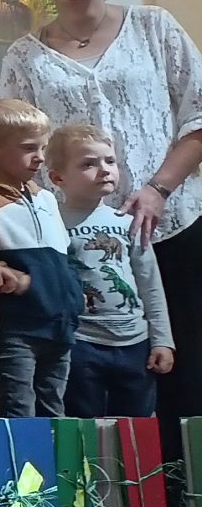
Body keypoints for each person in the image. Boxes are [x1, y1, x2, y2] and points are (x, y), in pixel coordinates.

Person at [0, 0, 202, 434]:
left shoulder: (153, 26)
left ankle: (184, 476)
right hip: (73, 243)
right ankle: (109, 480)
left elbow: (198, 116)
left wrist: (157, 189)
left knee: (185, 362)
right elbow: (12, 143)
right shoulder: (24, 56)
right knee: (88, 379)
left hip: (171, 223)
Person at [50, 122, 175, 417]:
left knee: (137, 427)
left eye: (109, 161)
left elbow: (150, 283)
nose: (104, 170)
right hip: (81, 342)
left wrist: (162, 340)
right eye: (88, 164)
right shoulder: (51, 222)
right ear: (57, 177)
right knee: (85, 426)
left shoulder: (129, 221)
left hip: (135, 343)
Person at [0, 97, 79, 417]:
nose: (40, 157)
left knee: (55, 411)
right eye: (28, 148)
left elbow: (65, 257)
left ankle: (53, 456)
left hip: (59, 327)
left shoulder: (46, 198)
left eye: (43, 147)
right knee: (18, 408)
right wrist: (10, 278)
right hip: (16, 329)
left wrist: (74, 298)